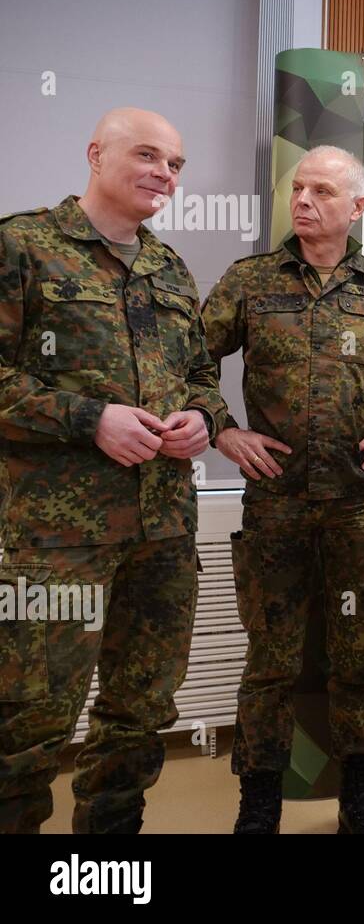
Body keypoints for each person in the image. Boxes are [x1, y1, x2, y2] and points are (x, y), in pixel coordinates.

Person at [202, 145, 364, 834]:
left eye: (322, 190)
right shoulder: (250, 282)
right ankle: (259, 802)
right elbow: (188, 361)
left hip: (359, 506)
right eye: (299, 187)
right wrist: (222, 427)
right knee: (270, 662)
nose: (304, 199)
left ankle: (360, 798)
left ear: (357, 208)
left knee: (356, 657)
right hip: (275, 507)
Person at [0, 108, 226, 833]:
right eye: (148, 154)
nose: (165, 171)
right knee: (30, 720)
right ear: (96, 154)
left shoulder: (169, 268)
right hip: (56, 542)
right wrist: (88, 418)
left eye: (177, 163)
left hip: (163, 533)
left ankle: (104, 864)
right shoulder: (24, 246)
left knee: (140, 713)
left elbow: (200, 376)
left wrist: (204, 419)